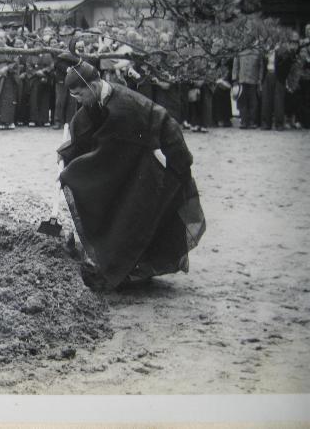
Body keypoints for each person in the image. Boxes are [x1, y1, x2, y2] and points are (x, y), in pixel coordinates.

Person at [57, 60, 205, 291]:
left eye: (78, 94)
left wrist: (71, 172)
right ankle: (129, 267)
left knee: (134, 213)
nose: (76, 99)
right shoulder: (96, 98)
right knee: (119, 206)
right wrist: (66, 152)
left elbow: (106, 154)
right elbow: (82, 127)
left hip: (163, 157)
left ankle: (131, 269)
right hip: (135, 152)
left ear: (93, 86)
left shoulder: (123, 107)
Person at [232, 44, 263, 129]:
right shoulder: (240, 51)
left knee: (253, 102)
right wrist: (235, 78)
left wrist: (260, 80)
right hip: (242, 80)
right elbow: (236, 65)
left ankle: (252, 122)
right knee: (242, 102)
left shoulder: (258, 52)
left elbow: (261, 67)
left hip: (253, 81)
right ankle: (244, 121)